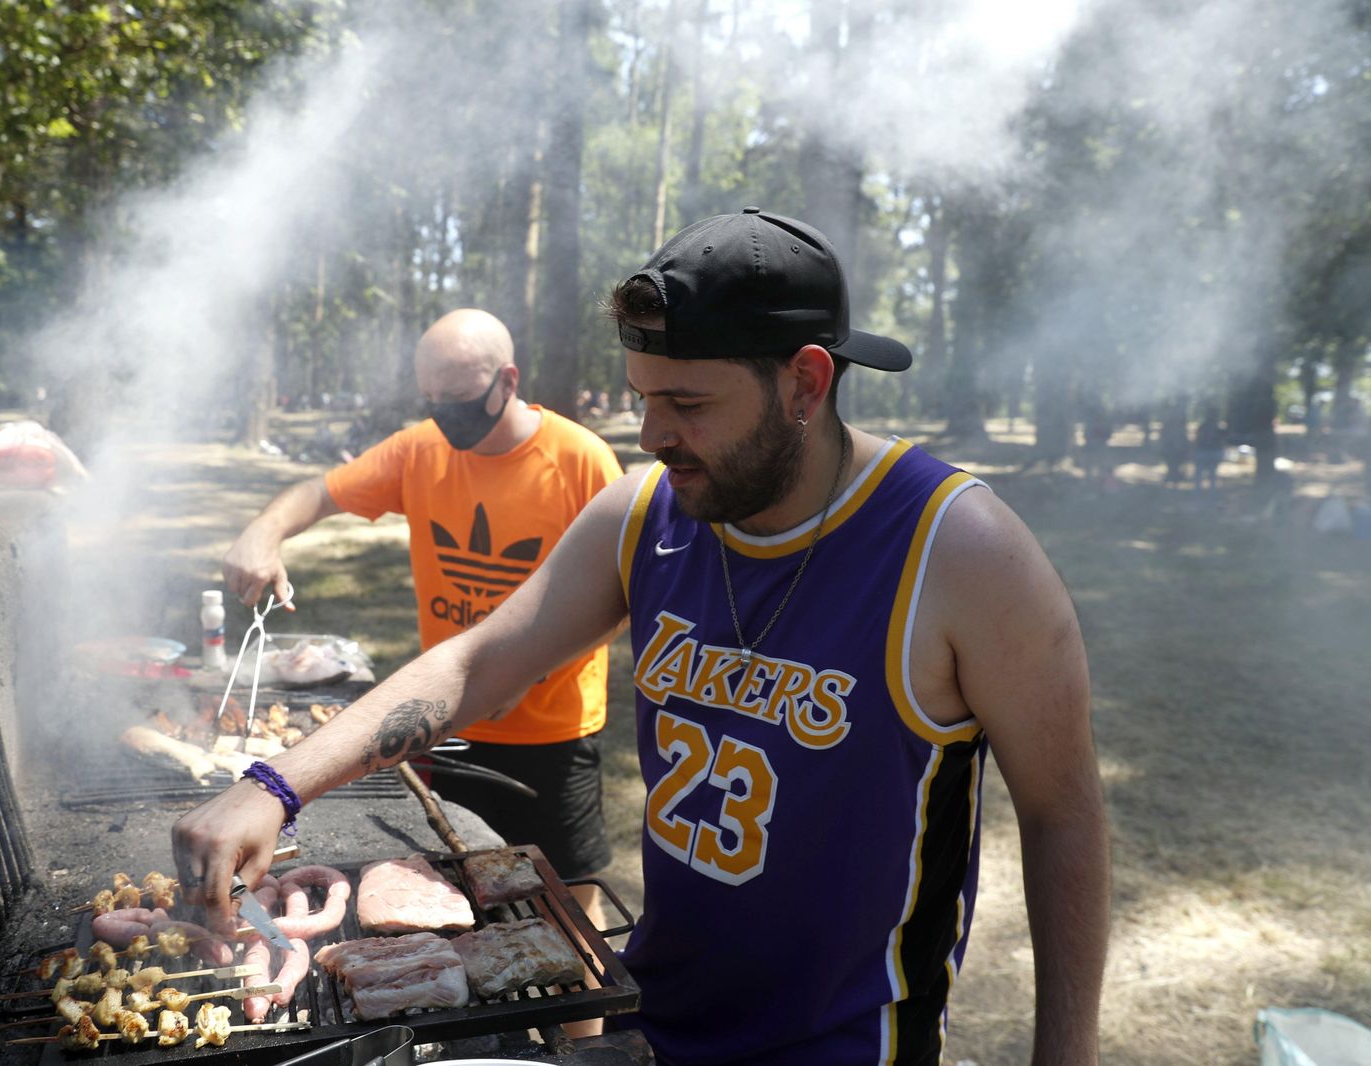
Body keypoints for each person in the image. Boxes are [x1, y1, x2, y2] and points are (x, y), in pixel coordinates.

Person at [178, 210, 1108, 1065]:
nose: (653, 432)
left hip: (841, 1045)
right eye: (642, 397)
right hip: (649, 1019)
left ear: (807, 382)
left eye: (689, 404)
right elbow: (476, 661)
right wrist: (274, 786)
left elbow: (1064, 817)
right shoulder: (645, 516)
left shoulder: (958, 551)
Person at [221, 308, 624, 933]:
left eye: (458, 397)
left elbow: (617, 602)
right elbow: (319, 493)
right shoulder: (419, 451)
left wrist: (523, 672)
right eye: (430, 397)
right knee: (459, 896)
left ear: (508, 381)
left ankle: (589, 1034)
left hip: (554, 735)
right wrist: (264, 529)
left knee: (566, 906)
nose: (442, 413)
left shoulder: (582, 460)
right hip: (448, 721)